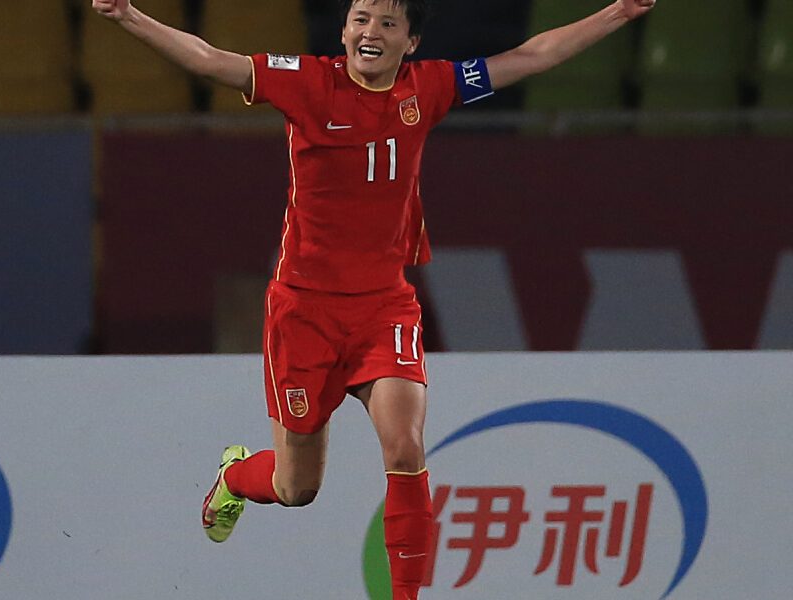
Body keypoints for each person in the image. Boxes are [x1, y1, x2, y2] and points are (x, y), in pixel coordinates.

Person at [91, 0, 657, 597]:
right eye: (361, 18)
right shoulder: (306, 80)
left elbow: (531, 56)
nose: (371, 31)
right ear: (343, 31)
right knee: (296, 488)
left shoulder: (430, 87)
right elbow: (210, 60)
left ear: (410, 43)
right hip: (304, 310)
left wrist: (618, 12)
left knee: (406, 445)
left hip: (384, 304)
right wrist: (128, 15)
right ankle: (234, 478)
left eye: (389, 23)